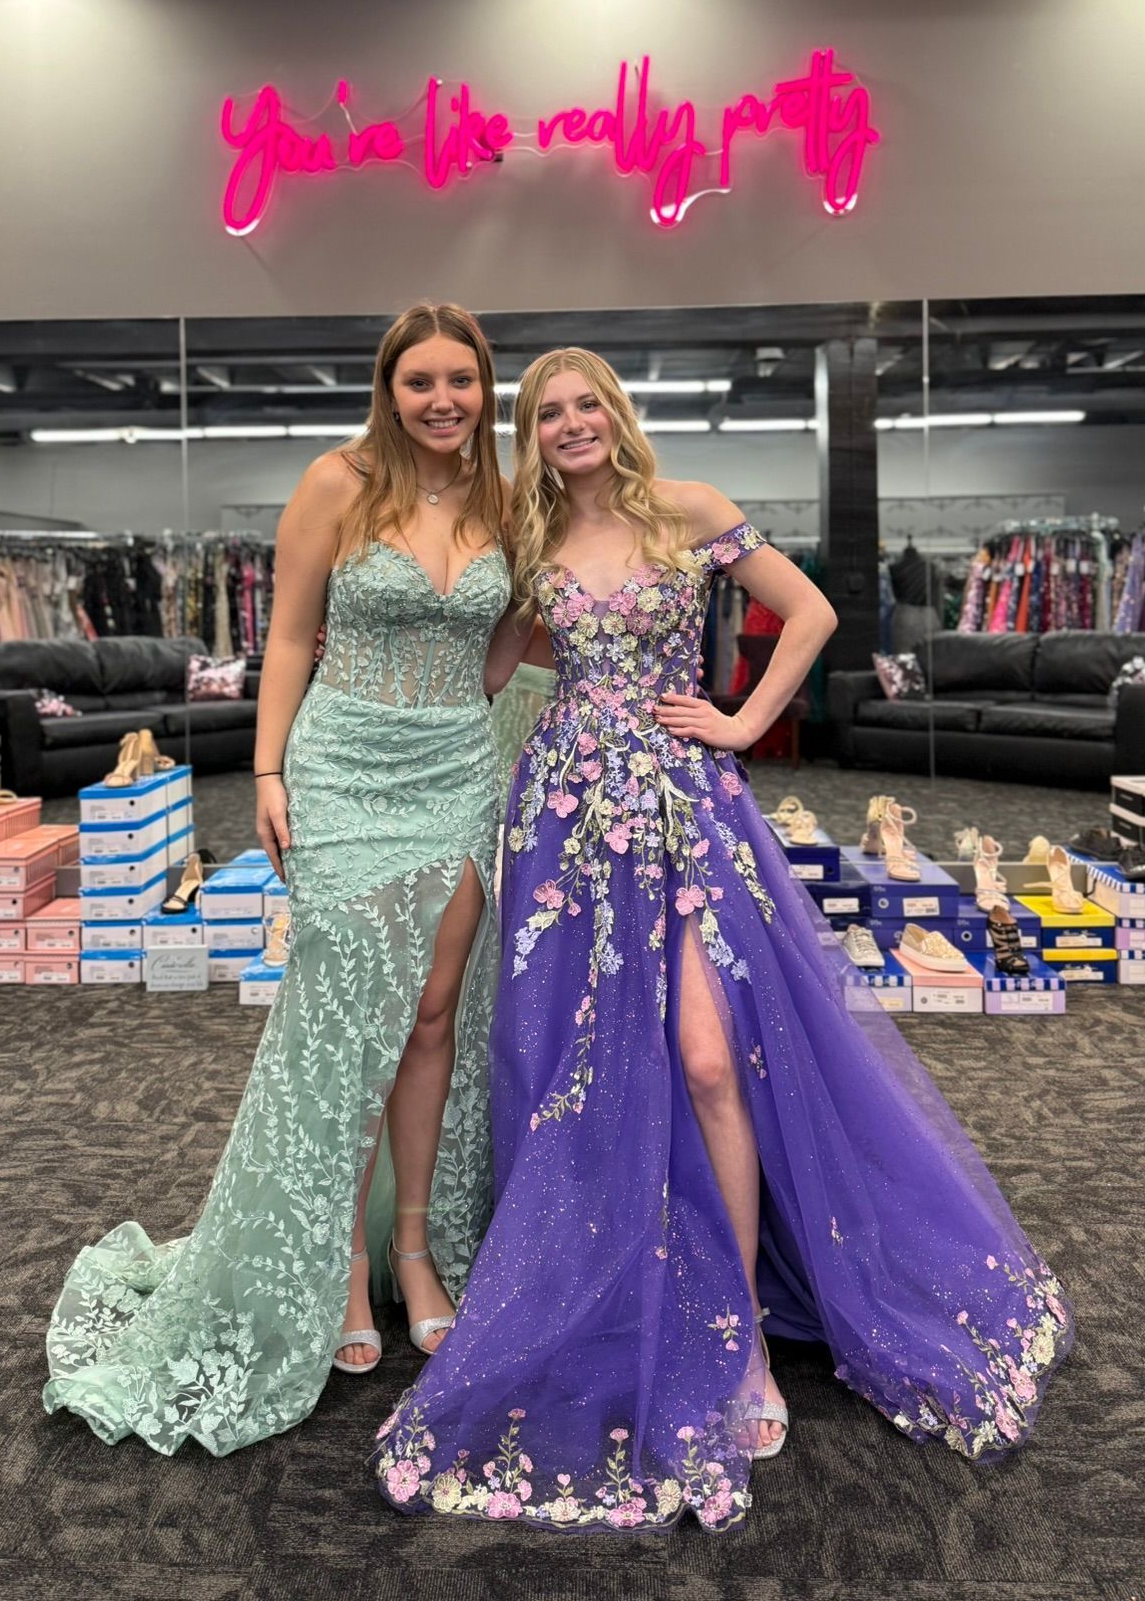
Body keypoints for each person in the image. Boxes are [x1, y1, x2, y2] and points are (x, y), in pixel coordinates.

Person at [375, 348, 1072, 1531]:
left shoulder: (687, 510)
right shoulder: (530, 541)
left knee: (706, 1056)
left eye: (586, 403)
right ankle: (613, 1279)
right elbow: (484, 669)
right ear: (532, 435)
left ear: (616, 413)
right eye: (547, 413)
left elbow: (811, 612)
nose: (570, 424)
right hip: (566, 823)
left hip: (687, 810)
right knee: (586, 1071)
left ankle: (741, 1324)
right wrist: (384, 742)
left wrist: (744, 718)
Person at [44, 302, 512, 1453]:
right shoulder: (337, 483)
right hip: (346, 768)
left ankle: (413, 1242)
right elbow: (291, 637)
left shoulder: (506, 499)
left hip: (457, 763)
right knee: (340, 1022)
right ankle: (340, 1263)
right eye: (421, 382)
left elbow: (511, 636)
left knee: (435, 1012)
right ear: (388, 388)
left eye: (461, 379)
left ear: (485, 389)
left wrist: (482, 709)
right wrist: (267, 765)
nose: (442, 399)